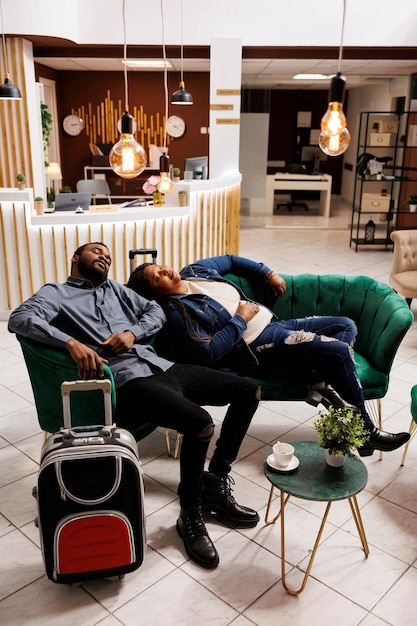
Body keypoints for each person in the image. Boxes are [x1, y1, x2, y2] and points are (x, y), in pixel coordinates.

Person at [8, 243, 262, 570]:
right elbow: (20, 317)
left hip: (160, 365)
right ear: (75, 258)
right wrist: (70, 343)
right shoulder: (57, 293)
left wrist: (133, 332)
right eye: (96, 251)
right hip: (129, 379)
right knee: (200, 424)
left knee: (249, 392)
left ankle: (214, 481)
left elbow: (154, 312)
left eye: (108, 255)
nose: (104, 256)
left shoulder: (117, 290)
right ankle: (190, 514)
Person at [127, 253, 410, 458]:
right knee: (337, 352)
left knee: (344, 325)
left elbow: (231, 260)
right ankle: (366, 432)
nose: (166, 271)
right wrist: (239, 318)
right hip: (257, 343)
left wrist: (267, 273)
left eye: (161, 266)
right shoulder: (179, 314)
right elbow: (210, 352)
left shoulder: (196, 270)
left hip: (274, 324)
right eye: (158, 277)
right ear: (155, 294)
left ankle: (319, 384)